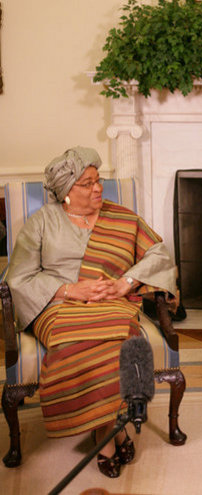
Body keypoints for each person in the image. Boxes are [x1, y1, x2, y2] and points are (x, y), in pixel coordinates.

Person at [5, 147, 177, 479]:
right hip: (57, 307)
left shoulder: (122, 217)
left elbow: (158, 252)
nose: (98, 188)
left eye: (98, 181)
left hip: (112, 303)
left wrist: (124, 284)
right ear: (65, 192)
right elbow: (19, 277)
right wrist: (70, 289)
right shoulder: (42, 221)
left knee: (118, 338)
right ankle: (112, 430)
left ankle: (103, 433)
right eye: (86, 183)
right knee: (75, 340)